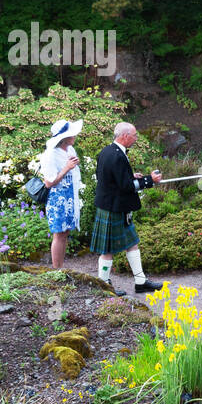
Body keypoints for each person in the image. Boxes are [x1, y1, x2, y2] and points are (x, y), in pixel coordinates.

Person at [89, 122, 163, 293]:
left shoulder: (107, 151)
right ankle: (104, 286)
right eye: (134, 135)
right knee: (107, 250)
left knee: (132, 243)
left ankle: (141, 281)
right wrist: (149, 180)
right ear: (124, 136)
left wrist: (131, 176)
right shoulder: (117, 156)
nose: (136, 139)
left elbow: (112, 178)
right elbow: (125, 186)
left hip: (114, 205)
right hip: (113, 208)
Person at [40, 118, 84, 268]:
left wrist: (73, 164)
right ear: (64, 137)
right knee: (58, 234)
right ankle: (56, 269)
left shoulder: (70, 149)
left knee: (65, 233)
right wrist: (67, 168)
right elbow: (49, 183)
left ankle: (60, 267)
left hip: (70, 197)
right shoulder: (50, 154)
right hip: (57, 199)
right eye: (72, 134)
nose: (75, 136)